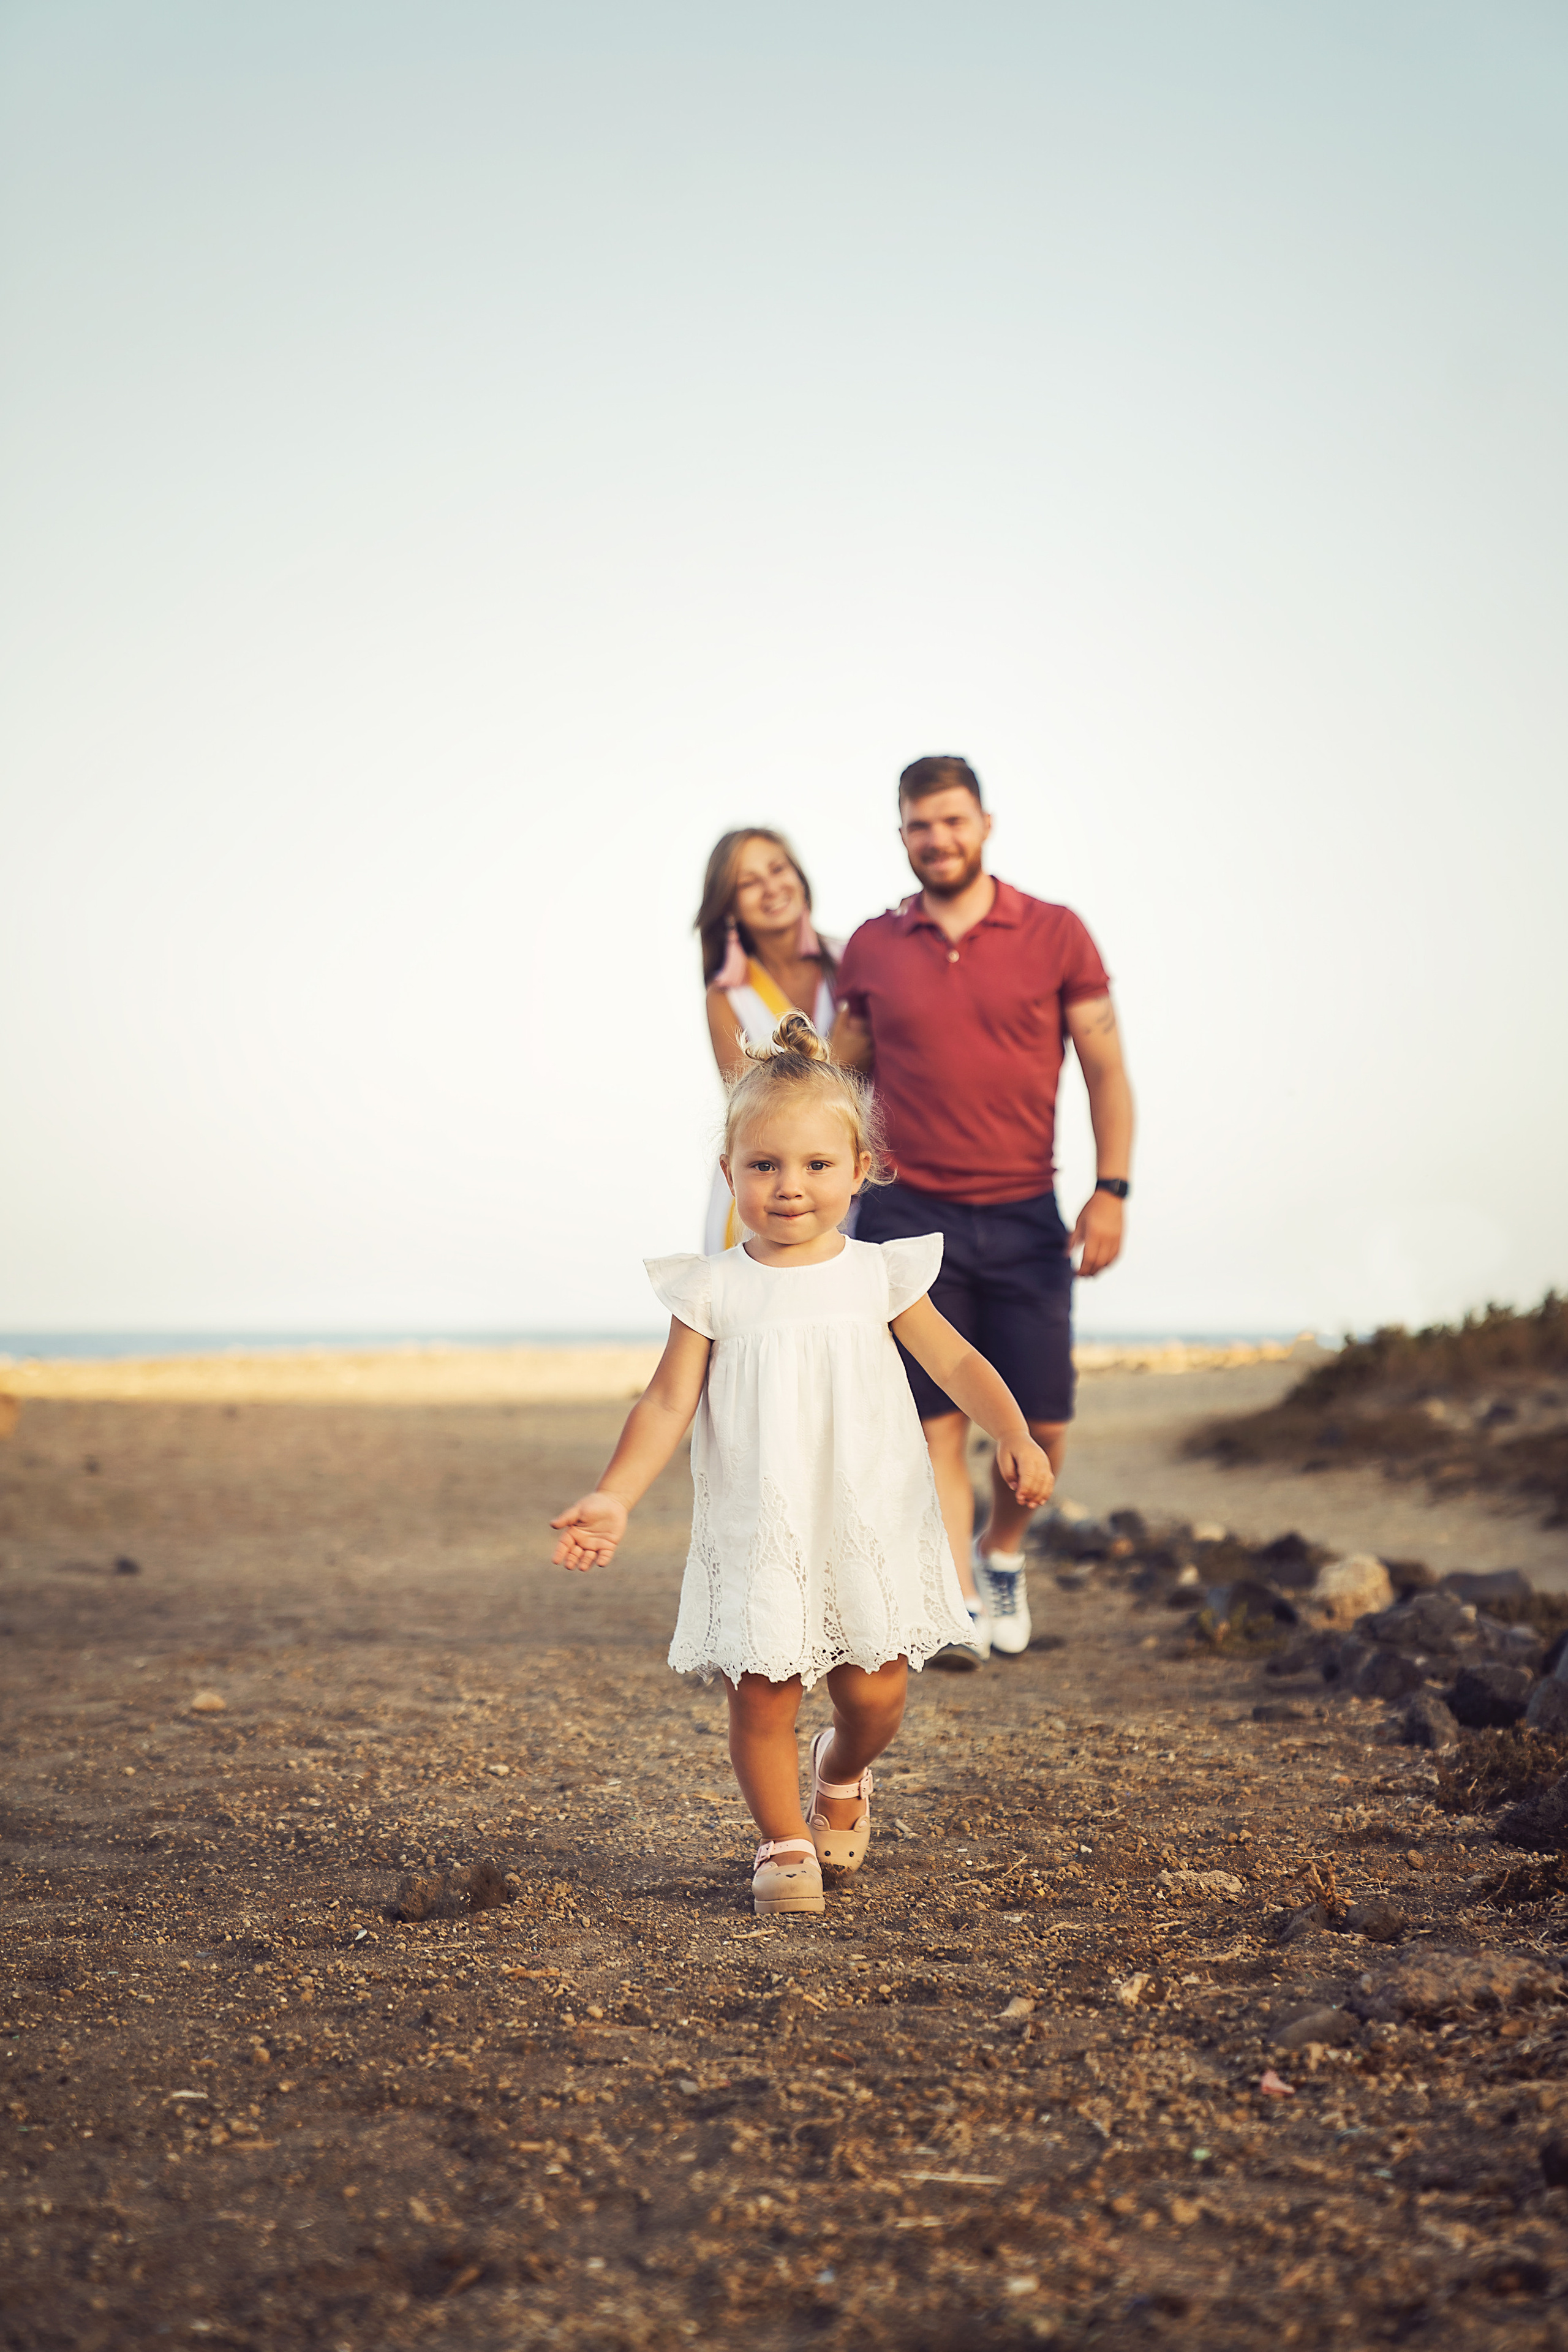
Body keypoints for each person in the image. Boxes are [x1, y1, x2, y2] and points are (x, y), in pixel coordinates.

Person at [549, 1014, 1054, 1917]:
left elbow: (956, 1363)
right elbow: (665, 1403)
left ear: (861, 1171)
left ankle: (842, 1770)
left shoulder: (880, 1275)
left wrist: (1012, 1432)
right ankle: (783, 1842)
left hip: (866, 1518)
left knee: (877, 1697)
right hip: (763, 1523)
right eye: (764, 1166)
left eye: (817, 1165)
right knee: (762, 1694)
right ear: (729, 1174)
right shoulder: (712, 1288)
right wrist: (615, 1495)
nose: (790, 1187)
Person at [832, 754, 1133, 1669]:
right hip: (906, 1212)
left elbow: (1106, 1071)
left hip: (1024, 1209)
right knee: (935, 1421)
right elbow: (838, 1080)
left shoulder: (1056, 933)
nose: (938, 839)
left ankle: (1001, 1555)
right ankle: (957, 1601)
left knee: (1043, 1422)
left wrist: (1112, 1189)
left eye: (953, 821)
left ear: (985, 825)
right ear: (902, 835)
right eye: (920, 825)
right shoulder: (873, 946)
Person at [695, 829, 841, 1253]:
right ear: (728, 906)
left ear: (799, 877)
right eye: (749, 882)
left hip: (845, 1186)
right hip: (764, 1200)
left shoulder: (852, 959)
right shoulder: (727, 996)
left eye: (778, 869)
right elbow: (756, 1108)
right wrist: (847, 1050)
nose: (771, 887)